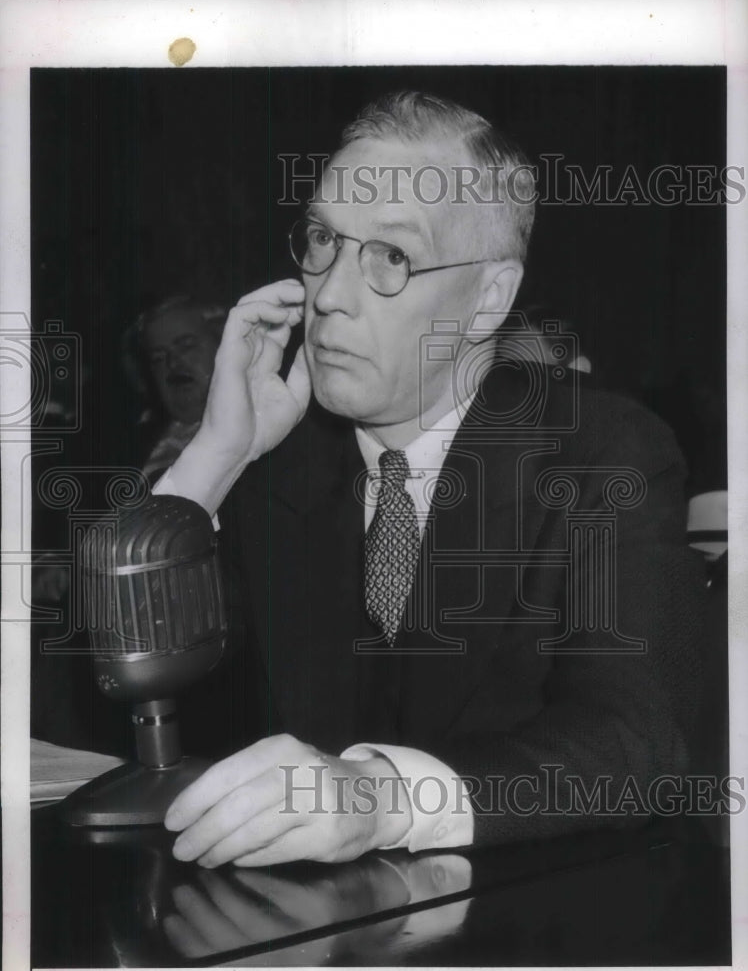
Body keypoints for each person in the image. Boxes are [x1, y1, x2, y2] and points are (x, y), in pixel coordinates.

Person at [153, 92, 704, 869]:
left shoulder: (600, 455)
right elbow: (101, 684)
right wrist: (215, 453)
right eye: (323, 240)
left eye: (390, 256)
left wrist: (379, 798)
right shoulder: (278, 463)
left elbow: (636, 743)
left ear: (487, 300)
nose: (329, 296)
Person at [122, 296, 226, 483]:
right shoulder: (127, 447)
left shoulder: (263, 431)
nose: (172, 363)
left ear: (224, 345)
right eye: (158, 358)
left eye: (186, 346)